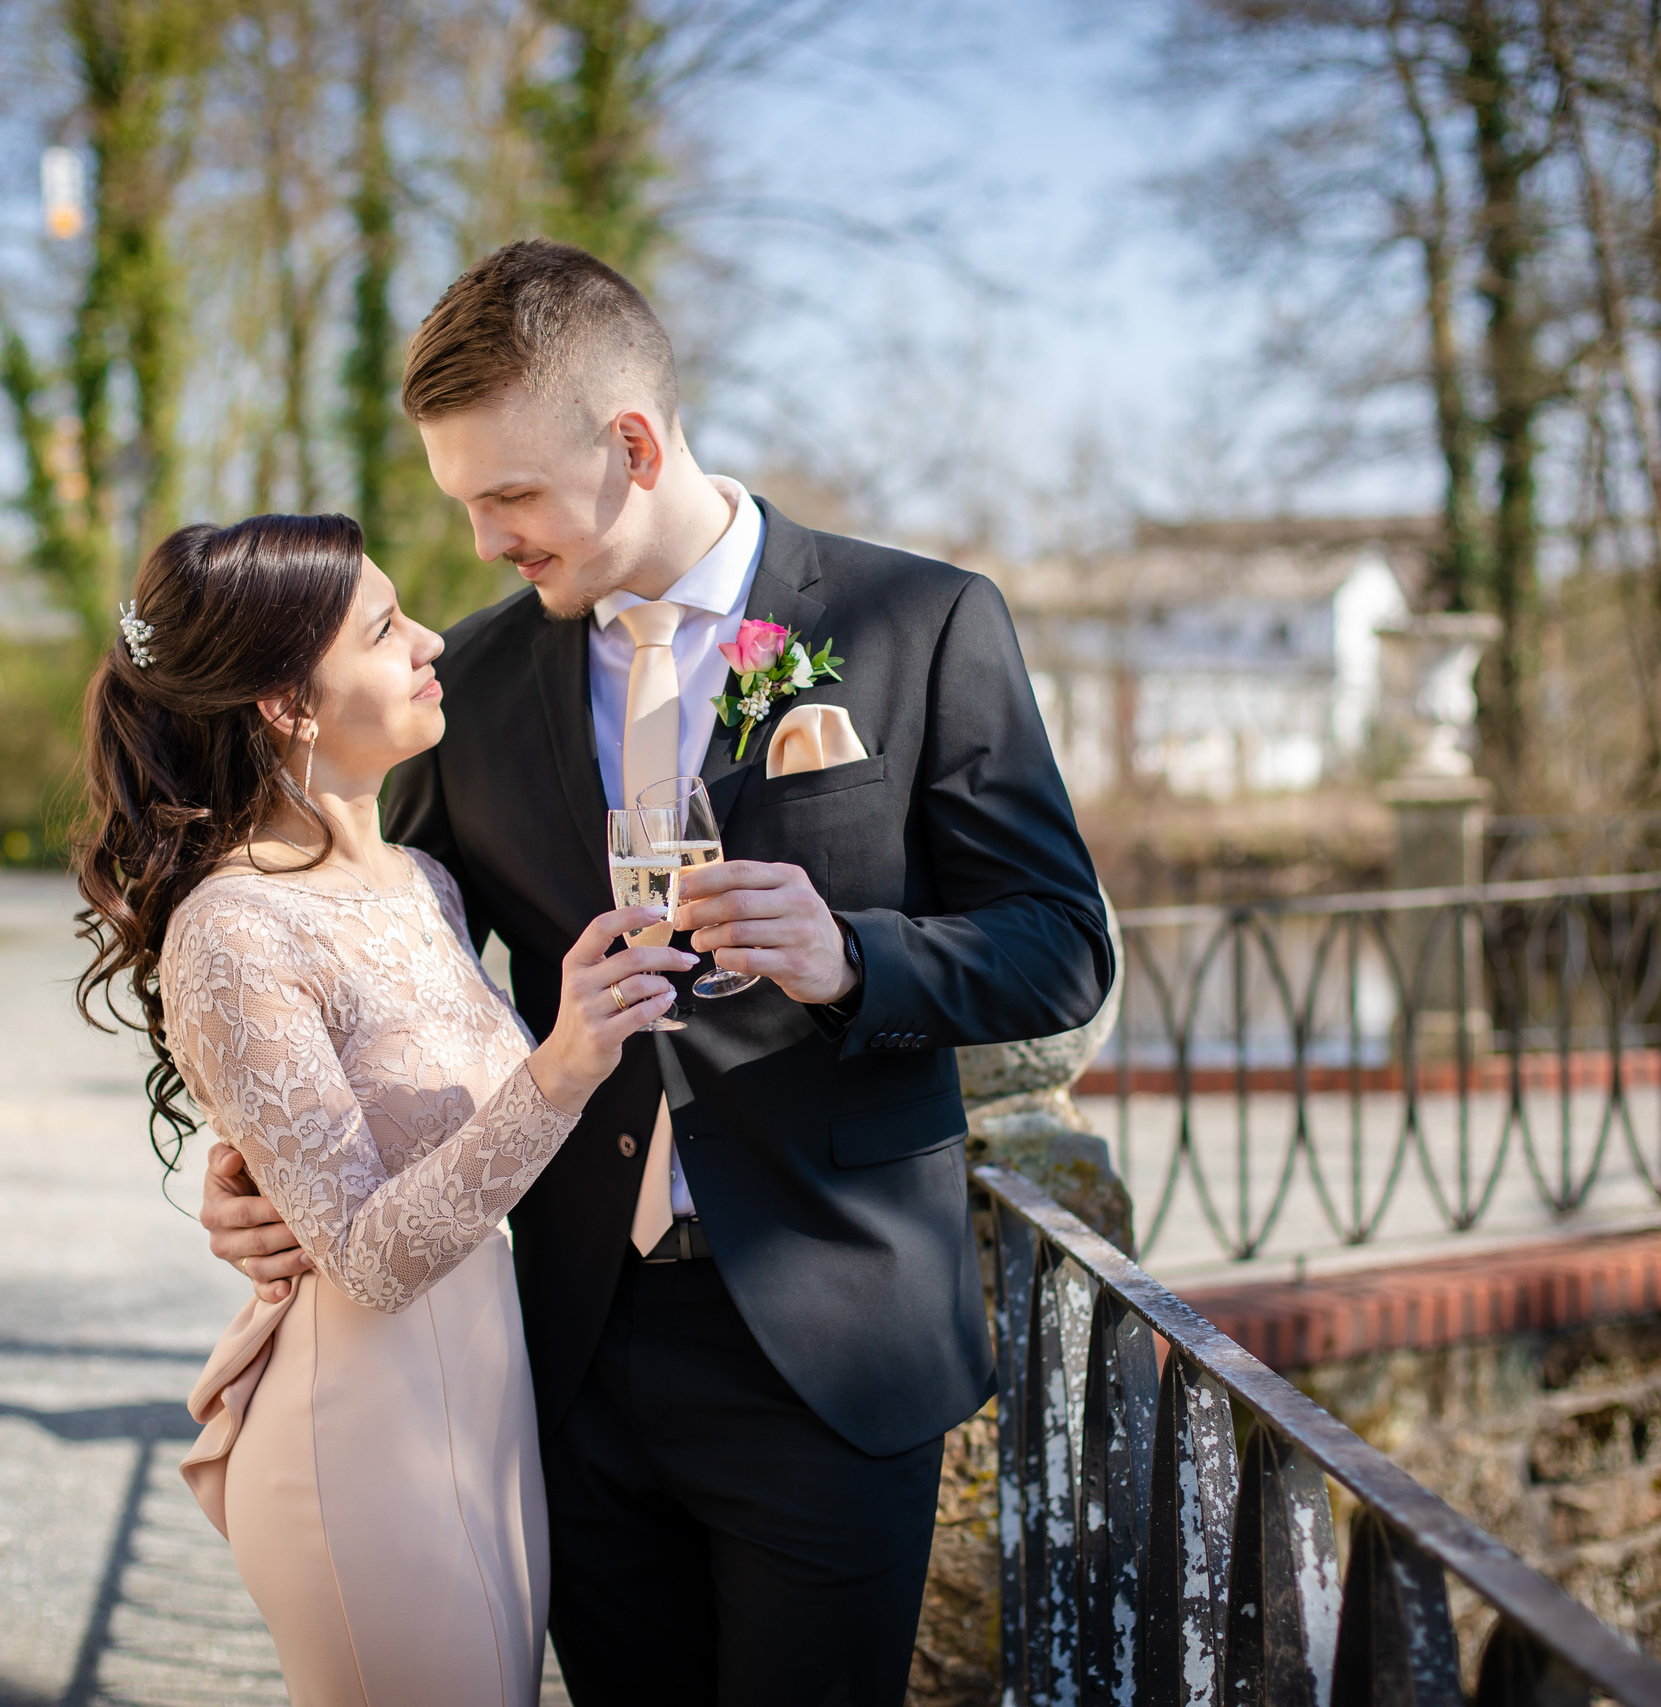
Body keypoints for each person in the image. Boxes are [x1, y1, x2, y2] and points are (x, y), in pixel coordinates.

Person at [204, 240, 1116, 1706]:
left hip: (833, 1345)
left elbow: (1061, 943)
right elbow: (366, 933)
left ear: (632, 444)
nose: (489, 540)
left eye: (509, 496)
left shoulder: (917, 625)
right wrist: (260, 1150)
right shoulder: (484, 679)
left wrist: (850, 958)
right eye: (465, 504)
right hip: (562, 1351)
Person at [73, 511, 692, 1707]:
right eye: (384, 628)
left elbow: (439, 1147)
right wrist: (563, 1060)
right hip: (366, 1431)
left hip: (490, 1403)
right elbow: (362, 1258)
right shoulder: (232, 929)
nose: (431, 641)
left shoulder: (423, 880)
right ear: (287, 707)